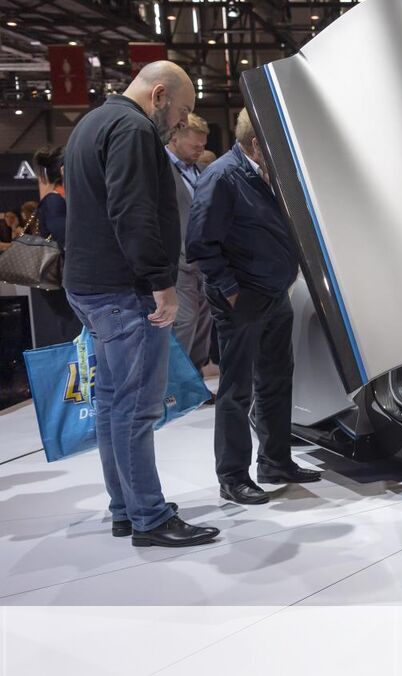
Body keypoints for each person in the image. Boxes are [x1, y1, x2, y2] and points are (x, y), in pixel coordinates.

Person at [62, 60, 219, 547]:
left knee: (114, 403)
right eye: (182, 109)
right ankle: (149, 517)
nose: (182, 121)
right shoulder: (132, 128)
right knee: (136, 409)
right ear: (159, 95)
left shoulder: (92, 121)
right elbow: (132, 211)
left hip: (90, 286)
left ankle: (126, 509)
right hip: (123, 291)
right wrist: (160, 282)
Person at [188, 108, 316, 505]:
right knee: (237, 389)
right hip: (242, 298)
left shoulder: (267, 173)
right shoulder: (223, 176)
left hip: (274, 293)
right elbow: (200, 244)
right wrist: (231, 292)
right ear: (257, 143)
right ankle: (232, 477)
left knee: (276, 380)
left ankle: (275, 461)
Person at [165, 113, 213, 371]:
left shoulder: (202, 170)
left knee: (204, 320)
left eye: (203, 145)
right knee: (185, 320)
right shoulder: (159, 169)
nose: (200, 150)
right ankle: (176, 381)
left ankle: (194, 377)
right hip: (177, 260)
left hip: (205, 260)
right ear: (175, 138)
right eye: (196, 145)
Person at [28, 145, 81, 346]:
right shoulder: (54, 201)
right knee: (73, 333)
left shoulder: (60, 199)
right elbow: (68, 240)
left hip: (64, 278)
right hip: (60, 279)